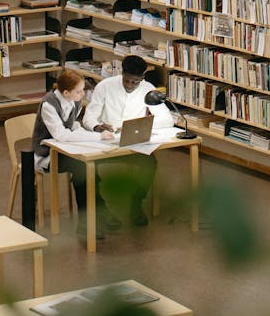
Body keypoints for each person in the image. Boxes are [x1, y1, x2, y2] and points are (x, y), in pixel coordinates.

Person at [82, 54, 174, 226]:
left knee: (149, 164)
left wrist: (142, 126)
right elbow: (89, 117)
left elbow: (167, 119)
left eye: (135, 82)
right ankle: (102, 210)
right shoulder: (105, 86)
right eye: (127, 80)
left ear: (142, 78)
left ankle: (136, 203)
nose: (130, 85)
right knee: (87, 167)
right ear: (122, 74)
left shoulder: (148, 89)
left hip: (132, 144)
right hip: (104, 143)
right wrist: (97, 126)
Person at [32, 68, 114, 242]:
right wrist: (96, 136)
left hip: (65, 149)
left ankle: (98, 214)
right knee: (82, 167)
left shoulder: (75, 101)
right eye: (79, 91)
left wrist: (89, 131)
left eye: (83, 90)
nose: (82, 94)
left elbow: (73, 125)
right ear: (66, 92)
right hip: (46, 153)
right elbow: (61, 135)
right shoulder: (48, 104)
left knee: (92, 164)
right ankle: (90, 222)